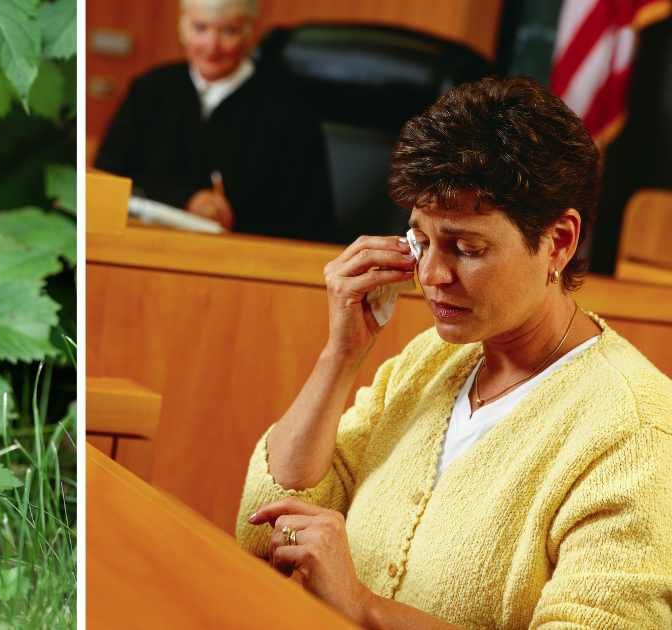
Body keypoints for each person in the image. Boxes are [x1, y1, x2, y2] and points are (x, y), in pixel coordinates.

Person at [234, 76, 672, 629]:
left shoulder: (637, 431)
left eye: (466, 247)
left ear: (559, 241)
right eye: (421, 241)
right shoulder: (428, 363)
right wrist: (340, 355)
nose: (432, 275)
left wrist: (364, 607)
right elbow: (260, 532)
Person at [93, 0, 335, 240]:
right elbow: (106, 180)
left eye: (229, 31)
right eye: (200, 28)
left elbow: (310, 220)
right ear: (182, 28)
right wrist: (187, 200)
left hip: (245, 253)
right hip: (145, 244)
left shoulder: (291, 109)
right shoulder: (149, 89)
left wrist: (231, 217)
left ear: (250, 33)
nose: (212, 46)